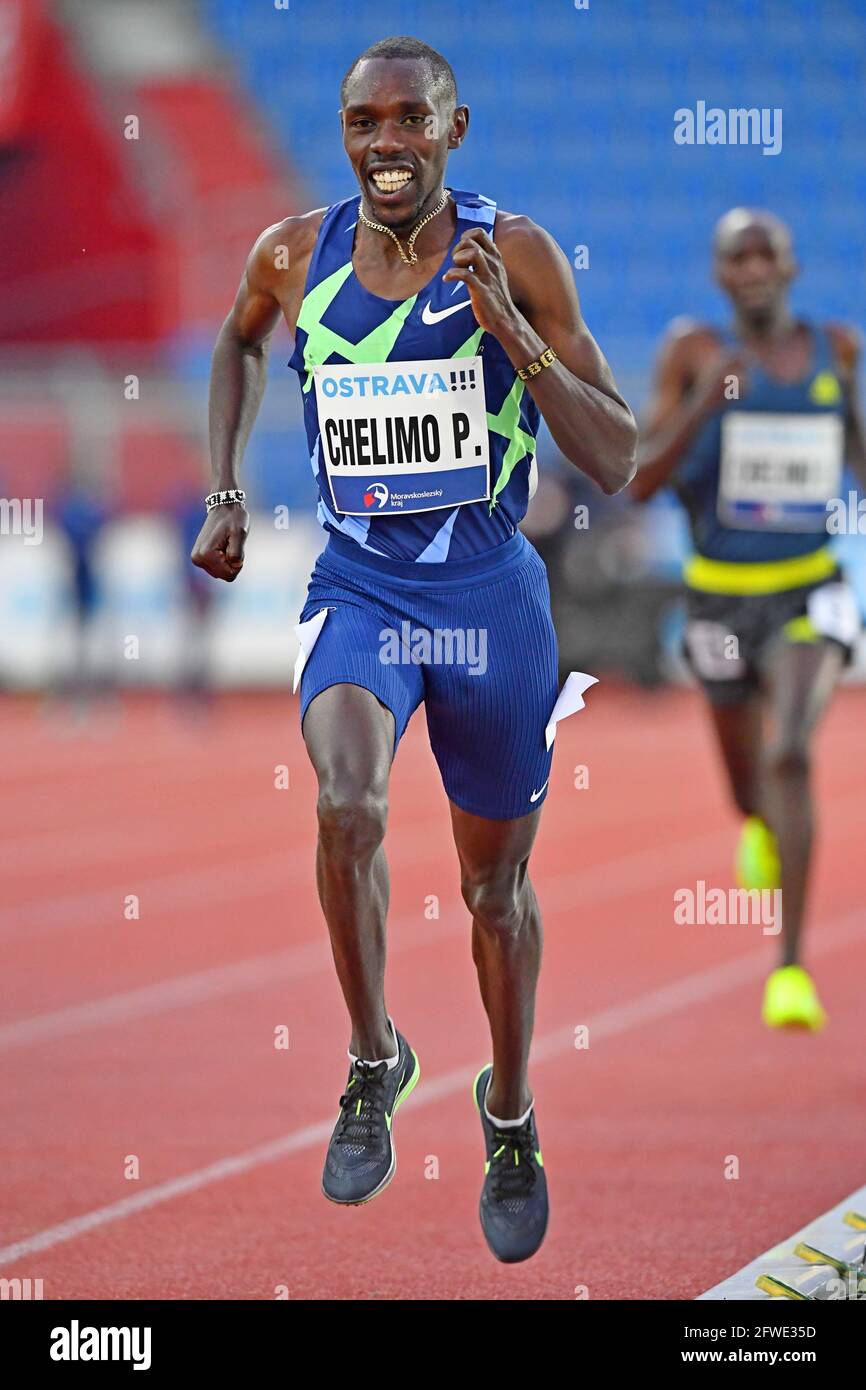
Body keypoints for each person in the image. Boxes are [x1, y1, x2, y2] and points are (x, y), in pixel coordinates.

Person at [192, 35, 635, 1262]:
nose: (383, 143)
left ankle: (507, 1111)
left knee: (494, 889)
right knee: (346, 803)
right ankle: (373, 1058)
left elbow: (616, 455)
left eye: (408, 121)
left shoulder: (518, 253)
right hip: (362, 587)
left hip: (492, 598)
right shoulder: (293, 253)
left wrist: (514, 334)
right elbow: (234, 342)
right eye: (360, 122)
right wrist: (223, 487)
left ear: (454, 127)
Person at [631, 208, 864, 1030]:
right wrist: (705, 397)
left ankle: (791, 968)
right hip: (718, 598)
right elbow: (639, 480)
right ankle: (761, 824)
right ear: (721, 274)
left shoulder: (835, 350)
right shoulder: (692, 352)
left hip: (808, 588)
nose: (756, 266)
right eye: (740, 256)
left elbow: (856, 457)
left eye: (770, 253)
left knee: (792, 750)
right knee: (747, 788)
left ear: (793, 267)